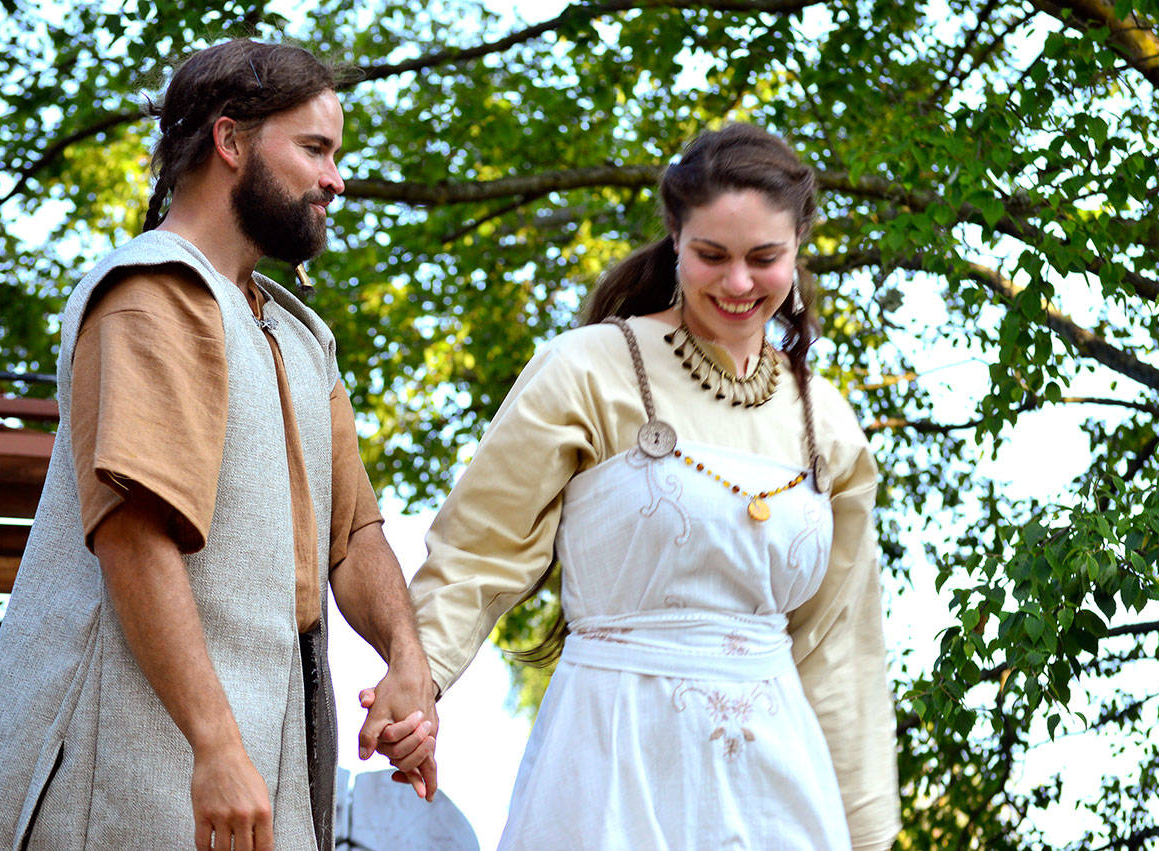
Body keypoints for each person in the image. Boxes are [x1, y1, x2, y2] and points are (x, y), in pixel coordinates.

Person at [371, 124, 900, 848]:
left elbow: (843, 652)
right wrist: (415, 684)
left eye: (764, 258)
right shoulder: (588, 370)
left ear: (798, 248)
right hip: (611, 761)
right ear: (675, 235)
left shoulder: (827, 423)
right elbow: (476, 555)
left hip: (779, 787)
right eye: (712, 255)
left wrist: (867, 834)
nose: (738, 283)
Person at [0, 39, 437, 851]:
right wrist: (215, 744)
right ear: (230, 142)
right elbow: (133, 533)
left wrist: (408, 657)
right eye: (314, 149)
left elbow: (356, 533)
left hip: (268, 772)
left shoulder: (301, 336)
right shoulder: (152, 292)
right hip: (133, 763)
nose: (336, 179)